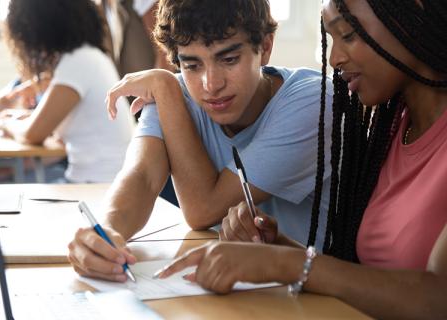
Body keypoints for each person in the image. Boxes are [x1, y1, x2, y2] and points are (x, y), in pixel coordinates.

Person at [154, 0, 447, 319]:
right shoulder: (390, 128)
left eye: (347, 35)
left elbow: (438, 297)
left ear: (411, 16)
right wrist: (275, 247)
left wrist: (287, 264)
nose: (334, 58)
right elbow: (371, 277)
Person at [68, 0, 333, 282]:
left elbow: (202, 210)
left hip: (320, 292)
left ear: (265, 47)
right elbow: (142, 175)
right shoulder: (174, 90)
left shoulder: (313, 102)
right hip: (241, 284)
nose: (211, 84)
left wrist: (166, 86)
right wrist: (107, 232)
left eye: (229, 59)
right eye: (192, 65)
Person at [0, 0, 136, 183]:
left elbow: (33, 134)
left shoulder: (78, 62)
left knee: (8, 188)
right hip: (99, 180)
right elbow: (52, 132)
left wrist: (7, 124)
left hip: (98, 185)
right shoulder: (88, 56)